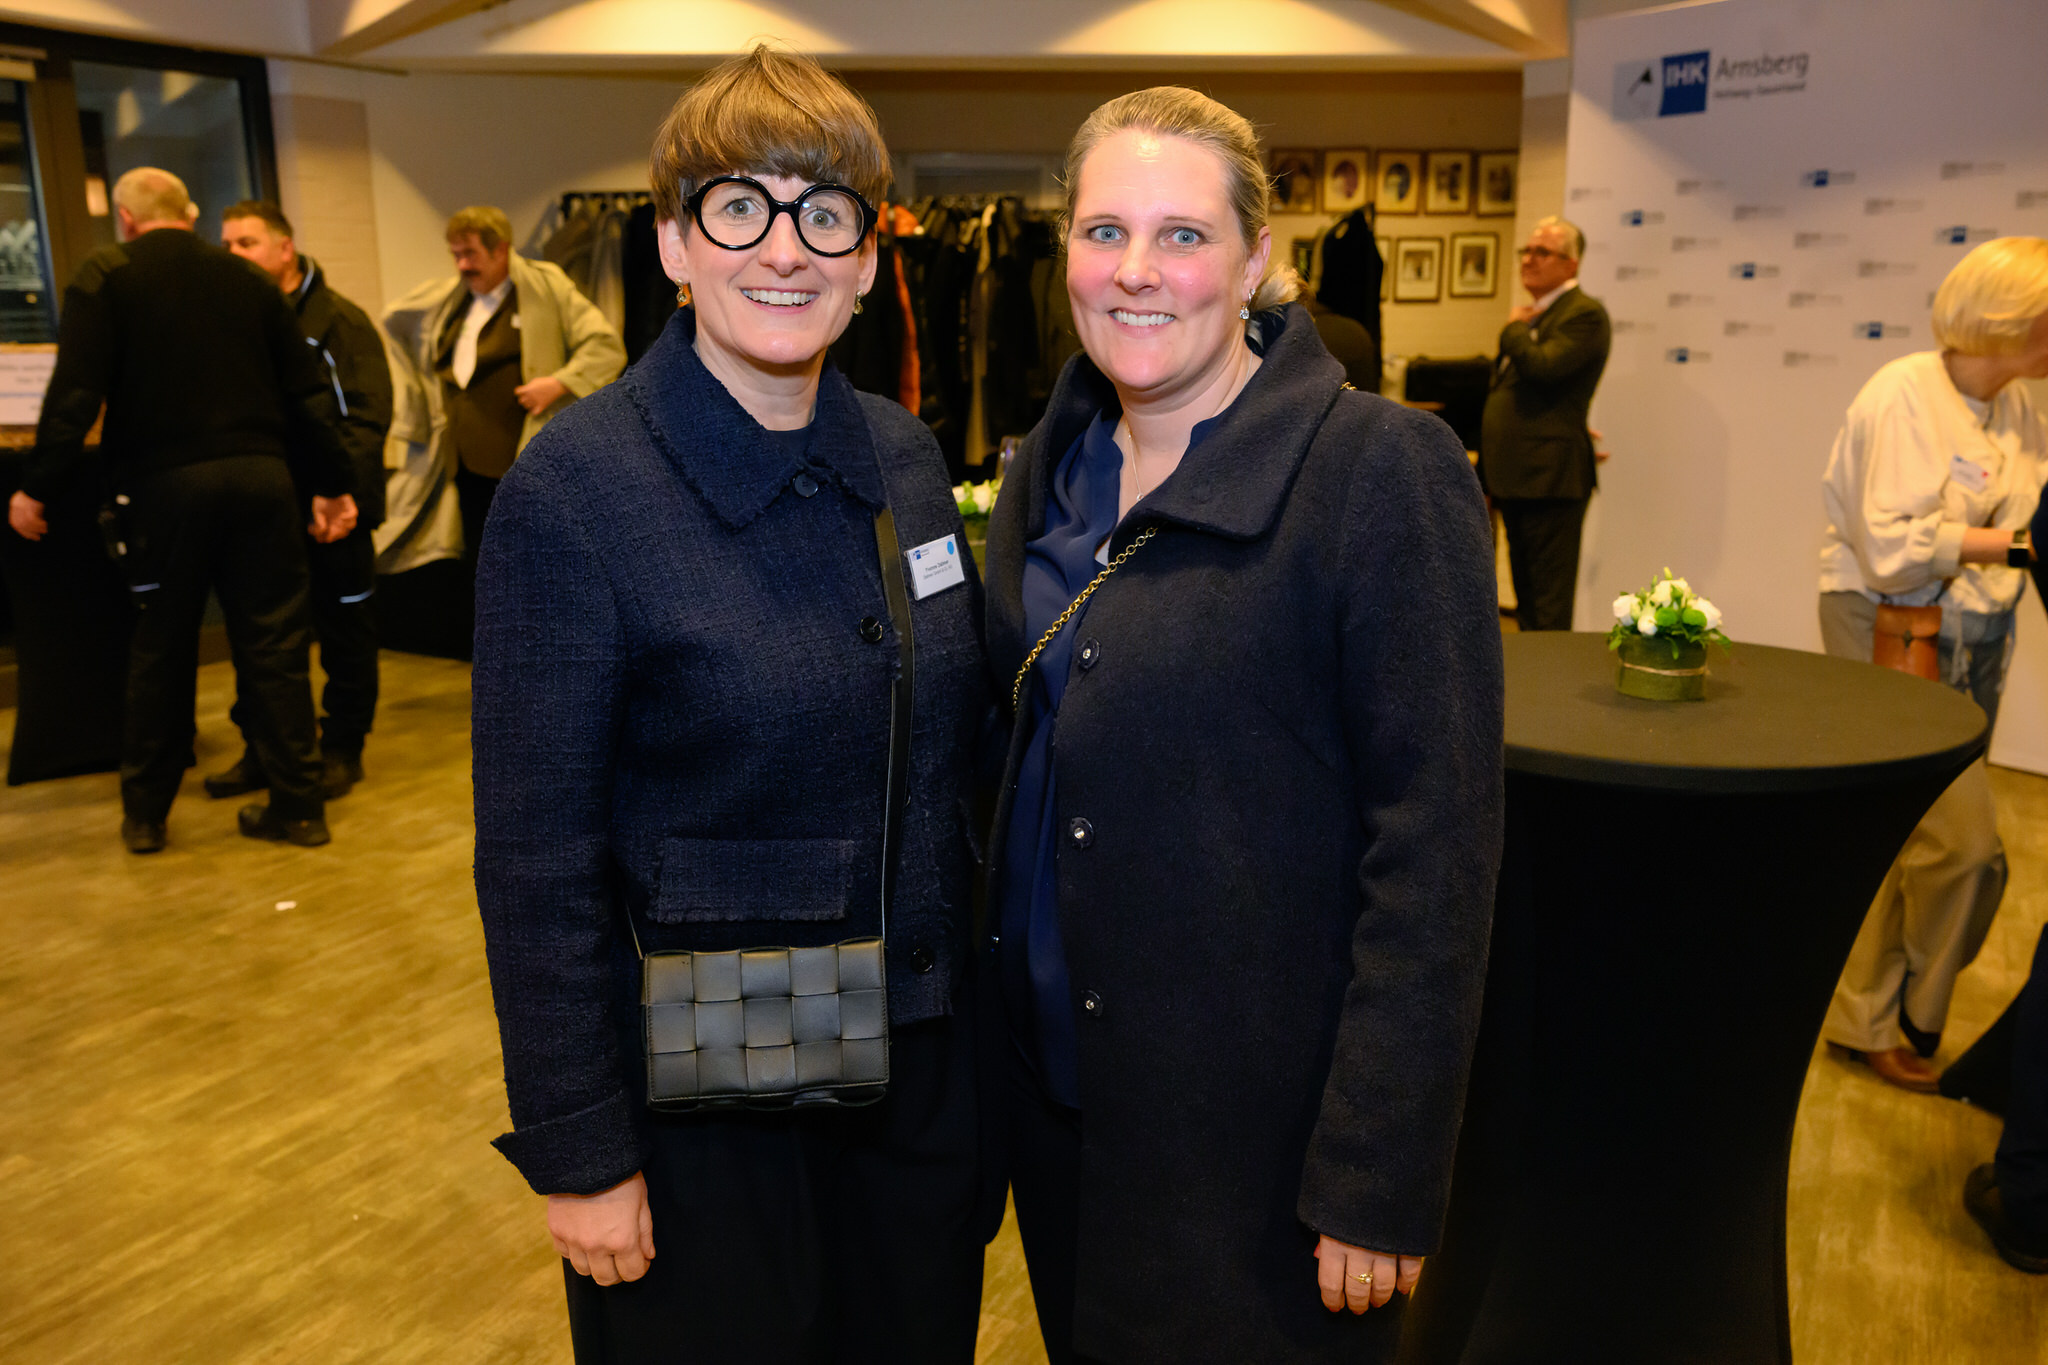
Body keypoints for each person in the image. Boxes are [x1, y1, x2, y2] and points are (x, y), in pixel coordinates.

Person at [470, 46, 989, 1364]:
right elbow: (537, 864)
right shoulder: (577, 492)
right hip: (709, 1104)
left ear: (872, 258)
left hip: (916, 1091)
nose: (786, 249)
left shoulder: (909, 455)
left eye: (826, 213)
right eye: (737, 206)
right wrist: (581, 1150)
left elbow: (949, 764)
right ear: (672, 243)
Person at [983, 88, 1503, 1364]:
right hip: (1062, 1130)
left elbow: (1433, 852)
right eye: (1104, 232)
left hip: (1261, 1161)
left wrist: (1374, 1176)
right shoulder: (1040, 471)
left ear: (1258, 259)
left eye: (1182, 235)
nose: (1136, 272)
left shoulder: (1376, 471)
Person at [5, 167, 357, 853]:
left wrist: (36, 485)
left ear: (127, 219)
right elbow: (308, 395)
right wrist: (333, 483)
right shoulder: (251, 281)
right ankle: (300, 807)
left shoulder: (105, 275)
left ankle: (146, 815)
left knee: (162, 648)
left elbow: (74, 395)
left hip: (165, 490)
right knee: (276, 645)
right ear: (188, 214)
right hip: (263, 481)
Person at [1817, 236, 2048, 1092]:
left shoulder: (2019, 406)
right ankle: (1912, 1013)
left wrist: (1998, 551)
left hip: (1975, 633)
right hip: (1888, 621)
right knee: (1965, 845)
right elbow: (1890, 553)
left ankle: (1864, 1014)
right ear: (2006, 320)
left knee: (1904, 831)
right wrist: (2017, 546)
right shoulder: (1903, 393)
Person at [209, 199, 393, 800]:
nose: (233, 254)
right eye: (227, 244)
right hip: (266, 515)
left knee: (345, 632)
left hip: (334, 512)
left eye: (246, 243)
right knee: (267, 641)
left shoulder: (339, 320)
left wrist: (341, 498)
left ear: (284, 249)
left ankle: (343, 745)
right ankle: (266, 749)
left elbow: (365, 419)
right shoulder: (238, 320)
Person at [379, 204, 623, 581]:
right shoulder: (452, 300)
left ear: (500, 249)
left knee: (526, 562)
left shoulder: (546, 288)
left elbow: (606, 346)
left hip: (517, 459)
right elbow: (399, 323)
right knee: (478, 562)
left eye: (470, 254)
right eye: (456, 255)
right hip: (459, 464)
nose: (462, 265)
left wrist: (559, 383)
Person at [1477, 216, 1611, 631]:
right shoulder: (1540, 314)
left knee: (1549, 608)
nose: (1529, 259)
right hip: (1519, 479)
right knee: (1527, 604)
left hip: (1550, 481)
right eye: (1527, 251)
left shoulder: (1584, 314)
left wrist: (1514, 329)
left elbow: (1545, 368)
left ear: (1571, 264)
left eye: (1543, 252)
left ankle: (1553, 691)